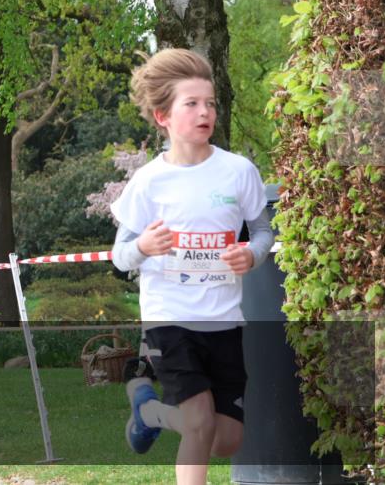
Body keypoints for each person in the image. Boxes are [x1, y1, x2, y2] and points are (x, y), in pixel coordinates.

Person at [109, 49, 274, 485]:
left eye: (211, 103)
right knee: (200, 423)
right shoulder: (148, 181)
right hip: (169, 317)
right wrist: (143, 245)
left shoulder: (238, 172)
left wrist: (252, 254)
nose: (206, 112)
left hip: (223, 322)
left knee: (227, 440)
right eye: (193, 104)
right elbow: (119, 254)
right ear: (163, 116)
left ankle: (150, 411)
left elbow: (262, 231)